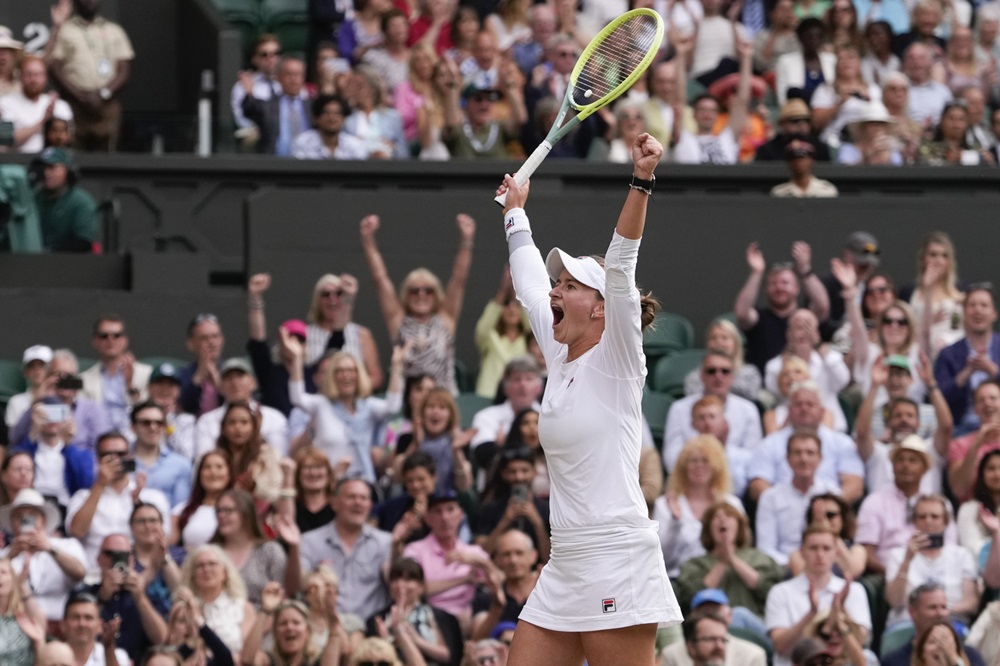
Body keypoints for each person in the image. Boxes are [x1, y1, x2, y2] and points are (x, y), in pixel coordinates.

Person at [495, 132, 681, 664]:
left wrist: (641, 180)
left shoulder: (620, 360)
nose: (555, 291)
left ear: (601, 308)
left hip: (615, 555)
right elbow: (529, 279)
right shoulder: (558, 355)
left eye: (570, 285)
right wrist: (515, 214)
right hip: (566, 559)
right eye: (560, 284)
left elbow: (621, 265)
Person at [361, 211, 475, 394]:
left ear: (436, 294)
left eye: (428, 290)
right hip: (407, 403)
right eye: (414, 290)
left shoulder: (445, 319)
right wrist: (368, 239)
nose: (421, 295)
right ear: (406, 294)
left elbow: (459, 280)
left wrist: (467, 240)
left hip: (444, 401)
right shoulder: (398, 321)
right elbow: (380, 279)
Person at [283, 336, 405, 483]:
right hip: (329, 483)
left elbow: (393, 406)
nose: (346, 375)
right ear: (331, 376)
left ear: (359, 374)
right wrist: (297, 359)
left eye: (351, 370)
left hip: (362, 484)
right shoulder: (321, 405)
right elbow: (297, 398)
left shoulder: (368, 406)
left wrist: (397, 366)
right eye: (339, 371)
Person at [764, 526, 872, 666]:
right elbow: (780, 646)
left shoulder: (854, 590)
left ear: (836, 553)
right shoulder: (780, 592)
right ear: (802, 552)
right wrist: (811, 614)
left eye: (826, 548)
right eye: (813, 548)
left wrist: (842, 608)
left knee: (870, 658)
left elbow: (861, 642)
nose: (820, 554)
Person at [66, 431, 171, 568]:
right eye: (108, 455)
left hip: (139, 572)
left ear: (130, 456)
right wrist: (99, 485)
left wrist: (138, 504)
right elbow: (77, 531)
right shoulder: (82, 496)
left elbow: (162, 539)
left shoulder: (151, 497)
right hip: (94, 573)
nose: (116, 460)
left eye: (121, 454)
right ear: (98, 459)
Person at [747, 382, 865, 504]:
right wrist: (786, 506)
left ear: (822, 411)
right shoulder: (769, 444)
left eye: (810, 404)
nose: (804, 409)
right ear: (789, 410)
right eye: (798, 404)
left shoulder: (843, 443)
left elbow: (855, 486)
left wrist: (828, 507)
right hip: (784, 512)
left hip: (829, 513)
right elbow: (757, 486)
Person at [299, 477, 393, 622]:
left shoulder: (385, 542)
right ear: (334, 503)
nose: (358, 503)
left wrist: (398, 546)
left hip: (371, 629)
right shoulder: (309, 541)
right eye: (351, 497)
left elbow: (396, 585)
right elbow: (298, 587)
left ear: (370, 506)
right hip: (324, 627)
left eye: (363, 498)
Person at [675, 503, 783, 626]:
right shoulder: (694, 564)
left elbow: (771, 591)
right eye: (716, 517)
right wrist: (723, 562)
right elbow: (691, 598)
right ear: (708, 528)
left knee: (738, 614)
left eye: (729, 515)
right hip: (709, 627)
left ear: (739, 525)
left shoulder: (758, 557)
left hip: (754, 628)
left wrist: (732, 559)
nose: (722, 519)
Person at [47, 0, 134, 151]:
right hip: (74, 104)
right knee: (72, 153)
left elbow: (124, 70)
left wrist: (102, 95)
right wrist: (79, 96)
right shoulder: (64, 30)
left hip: (107, 104)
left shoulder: (114, 30)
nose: (89, 1)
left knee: (108, 154)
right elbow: (54, 68)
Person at [402, 491, 494, 632]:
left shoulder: (473, 553)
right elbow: (414, 589)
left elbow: (500, 581)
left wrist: (482, 562)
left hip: (467, 619)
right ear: (427, 518)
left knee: (482, 617)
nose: (444, 518)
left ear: (460, 514)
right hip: (430, 619)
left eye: (450, 509)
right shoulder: (414, 550)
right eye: (437, 512)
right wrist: (464, 579)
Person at [734, 242, 830, 374]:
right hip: (763, 390)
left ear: (797, 288)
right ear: (766, 289)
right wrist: (757, 272)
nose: (779, 288)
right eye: (773, 283)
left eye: (785, 282)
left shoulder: (804, 317)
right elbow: (742, 314)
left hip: (803, 384)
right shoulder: (759, 317)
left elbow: (822, 306)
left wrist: (805, 270)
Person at [655, 435, 744, 577]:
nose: (699, 466)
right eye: (693, 461)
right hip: (680, 579)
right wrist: (675, 522)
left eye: (705, 461)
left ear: (717, 466)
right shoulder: (665, 505)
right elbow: (660, 558)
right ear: (683, 466)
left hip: (725, 578)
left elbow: (743, 549)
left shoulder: (732, 504)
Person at [884, 494, 978, 628]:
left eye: (935, 516)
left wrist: (938, 613)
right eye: (922, 517)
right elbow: (895, 601)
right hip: (906, 624)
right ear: (914, 521)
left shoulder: (961, 555)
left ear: (945, 521)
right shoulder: (898, 555)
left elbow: (971, 603)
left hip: (951, 623)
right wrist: (907, 560)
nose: (928, 521)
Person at [663, 350, 762, 473]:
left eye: (725, 371)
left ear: (733, 376)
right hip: (688, 482)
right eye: (711, 371)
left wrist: (721, 449)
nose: (718, 376)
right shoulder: (679, 408)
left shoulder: (748, 409)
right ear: (701, 376)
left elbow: (754, 458)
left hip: (734, 483)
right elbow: (671, 458)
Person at [0, 488, 86, 628]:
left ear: (43, 521)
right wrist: (10, 556)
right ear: (12, 523)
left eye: (32, 516)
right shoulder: (4, 555)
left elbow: (80, 573)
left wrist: (50, 549)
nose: (25, 522)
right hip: (16, 623)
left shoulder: (66, 545)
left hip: (62, 623)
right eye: (19, 517)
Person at [79, 533, 168, 663]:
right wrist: (101, 598)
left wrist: (139, 598)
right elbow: (76, 629)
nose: (116, 560)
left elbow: (161, 638)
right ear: (99, 559)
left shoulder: (146, 595)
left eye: (123, 555)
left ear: (132, 560)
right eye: (110, 554)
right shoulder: (86, 593)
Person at [755, 430, 839, 566]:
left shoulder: (832, 495)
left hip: (825, 564)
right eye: (797, 453)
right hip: (783, 569)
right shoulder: (770, 497)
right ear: (787, 458)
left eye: (810, 453)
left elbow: (839, 541)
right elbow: (766, 549)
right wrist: (796, 565)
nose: (804, 459)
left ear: (820, 458)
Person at [763, 310, 850, 431]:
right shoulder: (775, 366)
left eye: (808, 327)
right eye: (798, 327)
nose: (803, 333)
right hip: (789, 427)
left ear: (817, 333)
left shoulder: (830, 359)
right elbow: (775, 391)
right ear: (788, 333)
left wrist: (818, 345)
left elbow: (843, 381)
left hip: (832, 428)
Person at [936, 283, 1000, 441]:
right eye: (972, 305)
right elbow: (938, 398)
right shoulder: (948, 354)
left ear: (994, 314)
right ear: (964, 313)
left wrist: (994, 372)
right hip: (961, 430)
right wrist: (964, 375)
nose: (978, 310)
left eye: (984, 305)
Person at [194, 358, 290, 458]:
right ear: (220, 387)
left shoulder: (274, 418)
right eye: (228, 378)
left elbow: (280, 459)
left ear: (253, 383)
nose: (235, 382)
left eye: (240, 376)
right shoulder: (206, 421)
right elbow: (203, 461)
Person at [365, 558, 453, 665]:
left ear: (421, 586)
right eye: (396, 579)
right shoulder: (377, 619)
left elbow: (447, 655)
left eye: (408, 580)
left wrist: (416, 640)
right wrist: (386, 640)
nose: (400, 585)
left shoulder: (437, 616)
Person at [211, 488, 292, 605]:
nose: (221, 515)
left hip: (264, 618)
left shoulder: (270, 551)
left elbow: (284, 596)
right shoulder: (211, 553)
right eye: (218, 511)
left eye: (228, 511)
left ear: (246, 514)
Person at [178, 544, 258, 655]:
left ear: (224, 573)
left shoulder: (244, 608)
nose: (206, 569)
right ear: (192, 575)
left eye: (212, 564)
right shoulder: (183, 609)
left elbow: (247, 655)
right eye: (200, 566)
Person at [240, 581, 344, 666]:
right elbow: (246, 659)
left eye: (296, 623)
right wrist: (265, 610)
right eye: (283, 623)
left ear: (307, 631)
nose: (289, 627)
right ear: (276, 633)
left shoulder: (316, 661)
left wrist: (333, 625)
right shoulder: (268, 660)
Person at [881, 583, 986, 666]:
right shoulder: (894, 661)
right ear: (913, 612)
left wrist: (954, 661)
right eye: (932, 607)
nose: (940, 613)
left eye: (944, 607)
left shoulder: (971, 655)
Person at [80, 315, 153, 431]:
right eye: (104, 336)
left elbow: (150, 415)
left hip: (136, 438)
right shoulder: (84, 380)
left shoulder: (146, 374)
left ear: (125, 340)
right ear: (95, 341)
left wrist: (130, 385)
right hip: (98, 439)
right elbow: (83, 417)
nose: (111, 340)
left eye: (117, 335)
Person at [209, 400, 284, 505]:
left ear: (254, 427)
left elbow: (276, 494)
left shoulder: (268, 456)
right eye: (232, 422)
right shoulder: (214, 457)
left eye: (244, 422)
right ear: (223, 428)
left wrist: (255, 488)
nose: (238, 427)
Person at [475, 266, 532, 399]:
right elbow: (483, 327)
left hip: (520, 399)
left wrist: (516, 291)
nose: (511, 308)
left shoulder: (528, 339)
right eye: (506, 304)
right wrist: (502, 291)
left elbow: (533, 323)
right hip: (488, 397)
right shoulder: (490, 337)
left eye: (516, 305)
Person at [0, 55, 73, 154]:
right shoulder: (5, 103)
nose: (34, 80)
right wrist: (43, 122)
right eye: (29, 74)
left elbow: (68, 141)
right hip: (17, 162)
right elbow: (7, 140)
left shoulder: (59, 105)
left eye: (38, 74)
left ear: (45, 77)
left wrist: (53, 125)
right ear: (20, 76)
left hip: (52, 163)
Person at [241, 56, 313, 156]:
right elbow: (249, 110)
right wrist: (249, 93)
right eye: (288, 74)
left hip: (310, 163)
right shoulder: (268, 106)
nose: (293, 79)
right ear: (278, 77)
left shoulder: (312, 106)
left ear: (303, 78)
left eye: (297, 74)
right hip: (275, 164)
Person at [31, 147, 97, 252]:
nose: (46, 173)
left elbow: (84, 242)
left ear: (68, 171)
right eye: (43, 168)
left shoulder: (80, 201)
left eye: (52, 168)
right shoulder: (34, 198)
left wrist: (52, 250)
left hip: (69, 264)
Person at [787, 494, 866, 580]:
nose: (824, 519)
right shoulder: (798, 554)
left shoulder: (857, 549)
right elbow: (803, 577)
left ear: (842, 518)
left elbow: (852, 572)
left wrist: (830, 533)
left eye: (830, 515)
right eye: (818, 515)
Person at [130, 401, 193, 508]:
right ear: (133, 428)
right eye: (146, 423)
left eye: (159, 423)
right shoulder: (121, 462)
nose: (153, 427)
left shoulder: (181, 465)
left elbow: (180, 509)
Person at [684, 319, 763, 403]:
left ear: (736, 343)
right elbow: (693, 401)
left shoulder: (750, 373)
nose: (719, 342)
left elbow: (752, 399)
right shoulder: (695, 377)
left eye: (724, 338)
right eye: (713, 338)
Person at [172, 449, 234, 548]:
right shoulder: (181, 510)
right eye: (207, 467)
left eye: (219, 467)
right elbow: (170, 547)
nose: (213, 472)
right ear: (199, 474)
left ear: (229, 473)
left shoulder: (240, 510)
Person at [293, 94, 369, 159]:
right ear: (316, 118)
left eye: (337, 113)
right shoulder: (303, 143)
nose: (332, 118)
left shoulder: (354, 145)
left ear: (343, 119)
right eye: (326, 113)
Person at [61, 593, 130, 666]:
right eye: (75, 617)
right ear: (63, 624)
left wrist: (108, 647)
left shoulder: (119, 656)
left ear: (100, 626)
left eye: (88, 618)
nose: (82, 624)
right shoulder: (52, 654)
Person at [179, 313, 226, 417]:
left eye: (215, 336)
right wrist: (198, 377)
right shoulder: (182, 375)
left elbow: (240, 405)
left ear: (222, 340)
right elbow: (183, 406)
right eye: (204, 338)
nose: (212, 342)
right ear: (191, 344)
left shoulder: (234, 371)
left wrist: (218, 381)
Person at [957, 450, 1000, 561]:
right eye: (991, 468)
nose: (997, 474)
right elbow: (971, 548)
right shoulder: (969, 509)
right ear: (981, 474)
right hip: (981, 573)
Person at [4, 345, 52, 432]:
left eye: (42, 366)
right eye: (32, 367)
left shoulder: (61, 399)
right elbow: (13, 437)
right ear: (26, 372)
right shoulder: (16, 402)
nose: (37, 371)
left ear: (51, 370)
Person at [770, 138, 839, 198]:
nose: (799, 162)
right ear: (789, 162)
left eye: (803, 158)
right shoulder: (779, 193)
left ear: (812, 160)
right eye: (794, 158)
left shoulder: (827, 190)